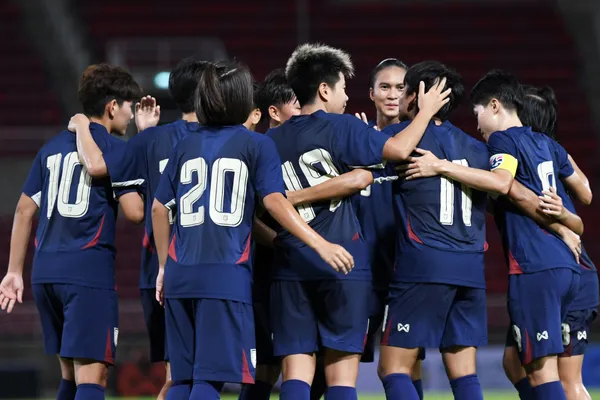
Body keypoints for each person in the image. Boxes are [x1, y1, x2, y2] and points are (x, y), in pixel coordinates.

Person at [151, 60, 354, 400]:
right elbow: (274, 202)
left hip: (179, 274)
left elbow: (159, 209)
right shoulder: (256, 145)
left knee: (182, 379)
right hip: (225, 275)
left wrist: (162, 267)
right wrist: (320, 243)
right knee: (209, 380)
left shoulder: (184, 145)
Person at [267, 43, 451, 400]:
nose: (347, 96)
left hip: (289, 264)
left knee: (296, 373)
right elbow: (398, 151)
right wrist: (426, 112)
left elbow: (267, 202)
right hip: (343, 262)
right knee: (340, 376)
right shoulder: (343, 127)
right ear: (324, 90)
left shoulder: (270, 139)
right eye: (342, 87)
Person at [401, 69, 585, 400]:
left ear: (495, 106)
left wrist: (441, 165)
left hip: (535, 266)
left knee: (542, 372)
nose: (477, 125)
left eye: (478, 114)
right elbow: (585, 193)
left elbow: (502, 183)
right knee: (517, 362)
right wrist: (566, 224)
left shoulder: (502, 140)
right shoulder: (548, 144)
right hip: (568, 266)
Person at [68, 57, 212, 400]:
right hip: (211, 266)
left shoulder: (149, 141)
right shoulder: (225, 138)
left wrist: (144, 137)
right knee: (203, 375)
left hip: (157, 272)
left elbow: (131, 207)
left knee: (176, 376)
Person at [0, 64, 145, 400]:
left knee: (70, 375)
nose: (131, 114)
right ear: (113, 106)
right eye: (130, 106)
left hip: (45, 275)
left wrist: (13, 271)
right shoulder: (117, 149)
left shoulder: (50, 149)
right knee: (93, 375)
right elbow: (135, 212)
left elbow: (24, 210)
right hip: (86, 273)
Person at [375, 61, 487, 400]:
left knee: (393, 368)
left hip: (423, 264)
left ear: (417, 96)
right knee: (464, 374)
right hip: (471, 268)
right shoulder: (477, 148)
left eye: (403, 90)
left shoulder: (399, 139)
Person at [501, 85, 596, 400]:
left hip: (565, 269)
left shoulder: (540, 155)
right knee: (514, 362)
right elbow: (585, 193)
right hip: (561, 268)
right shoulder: (543, 158)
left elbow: (585, 196)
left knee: (566, 380)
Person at [238, 68, 302, 400]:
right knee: (272, 364)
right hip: (267, 271)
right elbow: (245, 214)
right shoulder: (259, 148)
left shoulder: (305, 144)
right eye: (297, 104)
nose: (304, 110)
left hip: (299, 265)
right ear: (273, 112)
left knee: (286, 364)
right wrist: (280, 242)